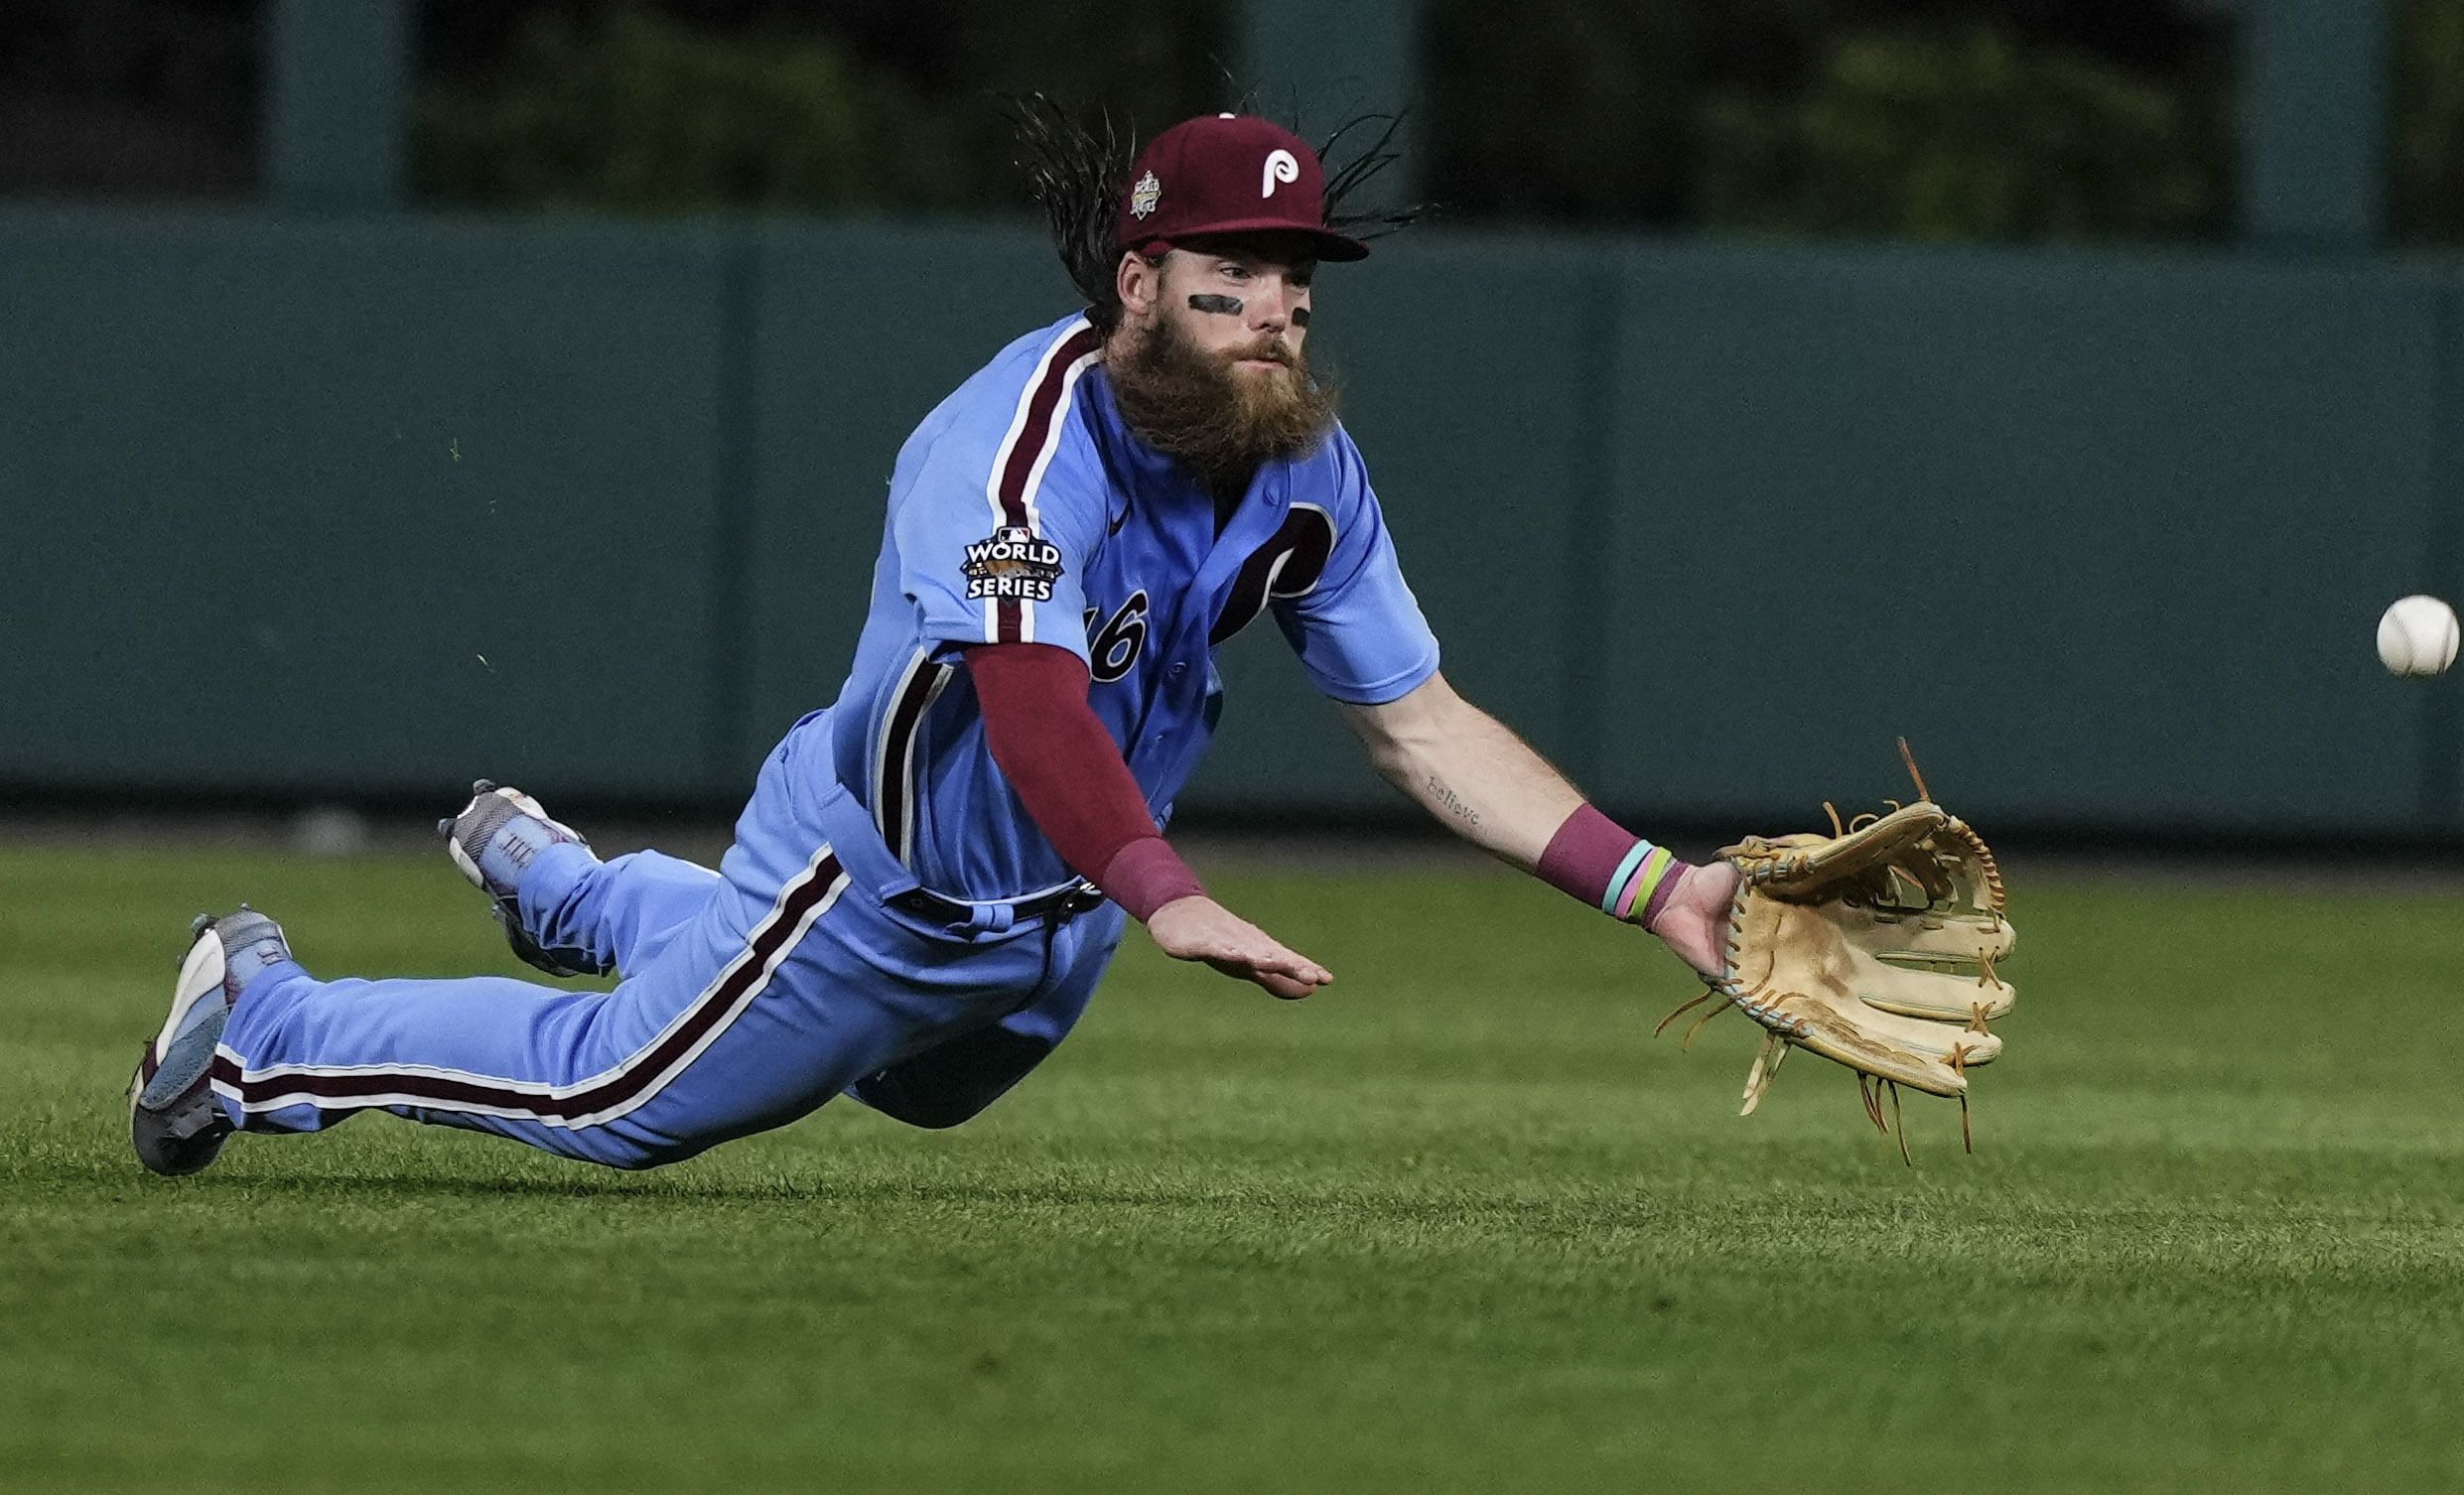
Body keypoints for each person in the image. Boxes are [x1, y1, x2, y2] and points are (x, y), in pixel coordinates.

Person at [127, 110, 1740, 1177]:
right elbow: (1031, 698)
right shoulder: (1011, 450)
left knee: (910, 1088)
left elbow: (1421, 723)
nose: (1274, 313)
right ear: (1138, 281)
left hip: (1062, 915)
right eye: (1230, 278)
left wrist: (1656, 884)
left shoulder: (1302, 467)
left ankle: (568, 888)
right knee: (614, 1099)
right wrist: (1166, 895)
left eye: (1295, 282)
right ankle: (263, 1028)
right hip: (879, 884)